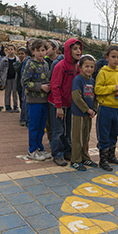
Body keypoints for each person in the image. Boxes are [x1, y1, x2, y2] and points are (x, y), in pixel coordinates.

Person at [48, 38, 83, 166]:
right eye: (75, 49)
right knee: (58, 130)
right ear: (68, 51)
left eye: (79, 48)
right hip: (58, 103)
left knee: (68, 130)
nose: (78, 51)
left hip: (70, 104)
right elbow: (55, 86)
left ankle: (67, 151)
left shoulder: (78, 67)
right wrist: (58, 106)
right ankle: (57, 154)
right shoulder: (60, 66)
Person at [95, 45, 118, 171]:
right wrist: (113, 88)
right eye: (113, 57)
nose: (116, 60)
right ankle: (103, 159)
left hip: (117, 108)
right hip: (105, 107)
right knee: (104, 133)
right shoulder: (103, 72)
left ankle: (111, 155)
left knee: (114, 132)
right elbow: (97, 89)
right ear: (107, 57)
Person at [21, 39, 51, 161]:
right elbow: (25, 82)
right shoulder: (30, 64)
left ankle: (39, 147)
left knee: (41, 125)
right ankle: (32, 150)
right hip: (34, 101)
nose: (41, 53)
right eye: (38, 50)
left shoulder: (45, 64)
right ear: (33, 51)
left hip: (45, 100)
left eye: (43, 50)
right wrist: (40, 87)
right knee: (34, 126)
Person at [70, 55, 99, 171]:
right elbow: (76, 97)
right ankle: (75, 160)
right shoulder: (78, 80)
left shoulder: (92, 81)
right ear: (80, 67)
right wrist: (86, 109)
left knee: (86, 137)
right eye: (86, 66)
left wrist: (94, 109)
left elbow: (95, 97)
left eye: (91, 67)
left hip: (89, 114)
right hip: (79, 114)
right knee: (78, 138)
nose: (89, 69)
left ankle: (85, 157)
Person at [0, 44, 20, 113]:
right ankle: (7, 106)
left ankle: (15, 106)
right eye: (9, 49)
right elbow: (1, 69)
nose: (10, 51)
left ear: (14, 50)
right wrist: (2, 78)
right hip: (7, 78)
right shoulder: (4, 60)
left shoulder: (17, 60)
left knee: (15, 92)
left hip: (15, 78)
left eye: (12, 49)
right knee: (7, 92)